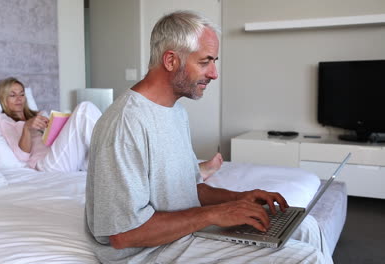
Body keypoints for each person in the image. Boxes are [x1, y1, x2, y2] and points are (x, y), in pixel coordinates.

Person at [85, 10, 331, 264]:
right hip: (146, 252)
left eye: (215, 62)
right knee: (306, 258)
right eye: (205, 62)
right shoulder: (125, 123)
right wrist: (214, 215)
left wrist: (238, 198)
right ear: (170, 61)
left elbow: (189, 189)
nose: (214, 73)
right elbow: (123, 235)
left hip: (181, 232)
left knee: (306, 226)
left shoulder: (175, 111)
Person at [0, 77, 101, 172]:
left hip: (68, 156)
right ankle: (111, 153)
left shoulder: (40, 114)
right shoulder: (5, 120)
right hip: (47, 163)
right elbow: (22, 157)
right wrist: (26, 127)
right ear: (3, 98)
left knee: (89, 109)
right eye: (12, 95)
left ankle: (110, 154)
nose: (19, 98)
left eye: (22, 94)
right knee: (84, 108)